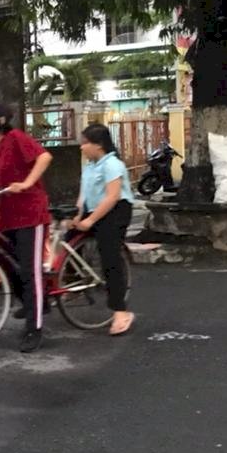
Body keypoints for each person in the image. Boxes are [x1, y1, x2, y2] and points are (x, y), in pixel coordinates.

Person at [0, 102, 52, 352]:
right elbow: (4, 180)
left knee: (30, 270)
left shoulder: (16, 137)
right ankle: (34, 302)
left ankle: (34, 328)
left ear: (0, 121)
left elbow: (44, 157)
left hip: (30, 214)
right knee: (3, 259)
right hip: (8, 215)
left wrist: (27, 183)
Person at [73, 123, 136, 336]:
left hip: (115, 211)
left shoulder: (112, 165)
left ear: (98, 145)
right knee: (68, 240)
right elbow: (83, 195)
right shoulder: (89, 166)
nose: (81, 147)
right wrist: (78, 215)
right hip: (94, 210)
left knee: (109, 257)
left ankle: (120, 311)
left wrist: (90, 221)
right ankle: (72, 285)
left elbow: (112, 196)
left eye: (85, 143)